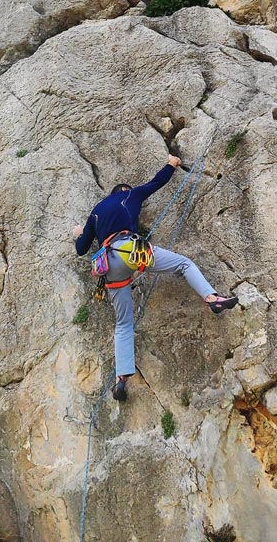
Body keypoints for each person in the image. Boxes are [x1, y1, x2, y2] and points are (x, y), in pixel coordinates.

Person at [73, 155, 238, 401]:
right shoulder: (130, 195)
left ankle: (121, 378)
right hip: (131, 251)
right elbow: (156, 183)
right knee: (183, 263)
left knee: (123, 323)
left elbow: (81, 249)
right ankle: (211, 297)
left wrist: (78, 233)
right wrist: (172, 163)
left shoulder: (95, 213)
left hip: (108, 267)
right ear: (125, 190)